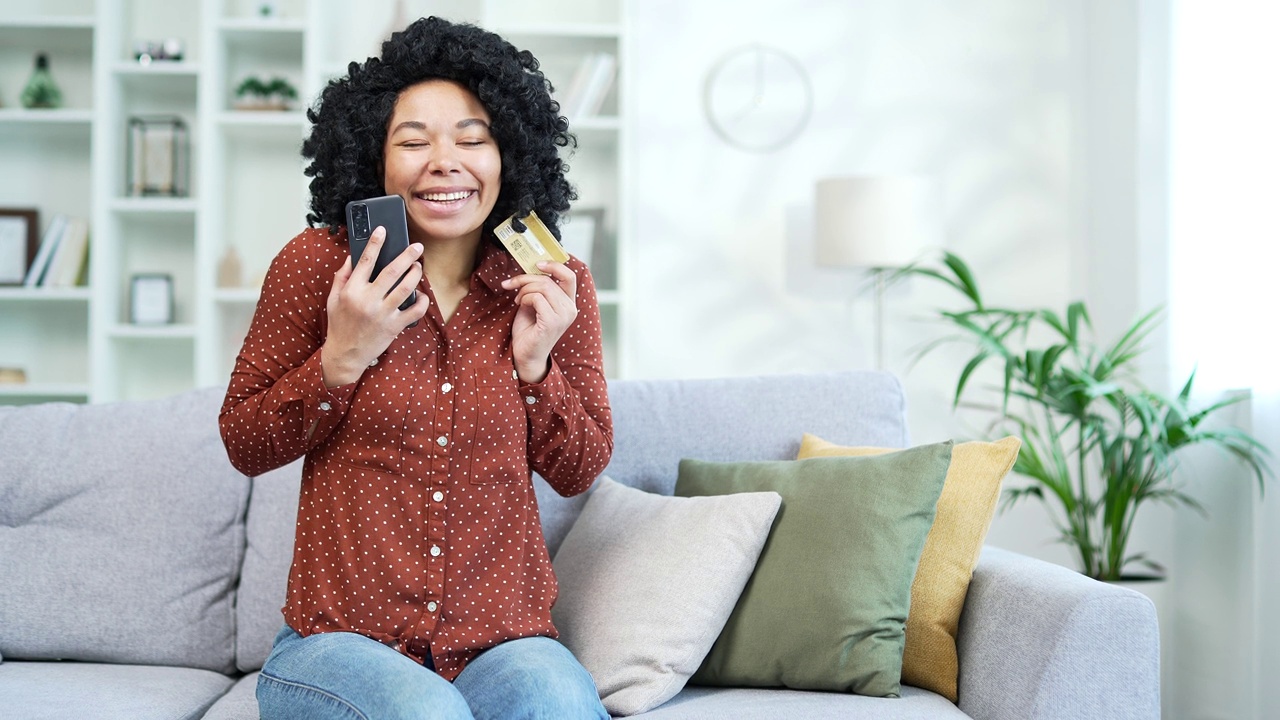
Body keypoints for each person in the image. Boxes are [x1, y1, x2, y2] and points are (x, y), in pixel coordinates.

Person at [218, 16, 613, 720]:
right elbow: (243, 442)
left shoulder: (557, 284)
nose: (445, 160)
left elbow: (580, 468)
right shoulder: (316, 267)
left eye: (472, 138)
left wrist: (535, 367)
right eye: (412, 141)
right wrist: (343, 356)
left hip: (501, 646)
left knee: (558, 703)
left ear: (510, 155)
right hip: (335, 647)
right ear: (373, 159)